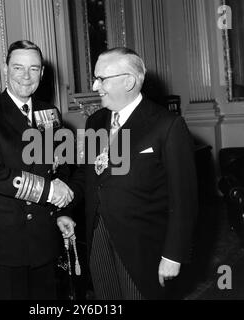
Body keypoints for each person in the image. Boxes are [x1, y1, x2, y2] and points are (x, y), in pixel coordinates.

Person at [67, 47, 198, 300]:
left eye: (101, 79)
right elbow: (91, 175)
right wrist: (64, 201)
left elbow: (184, 200)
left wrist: (173, 255)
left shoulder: (167, 125)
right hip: (98, 236)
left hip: (143, 246)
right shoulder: (95, 122)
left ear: (128, 81)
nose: (95, 86)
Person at [0, 40, 75, 300]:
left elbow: (60, 167)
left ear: (42, 73)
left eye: (34, 69)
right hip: (3, 242)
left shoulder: (50, 113)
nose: (26, 77)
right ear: (6, 70)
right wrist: (50, 192)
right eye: (18, 68)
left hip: (42, 238)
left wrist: (62, 211)